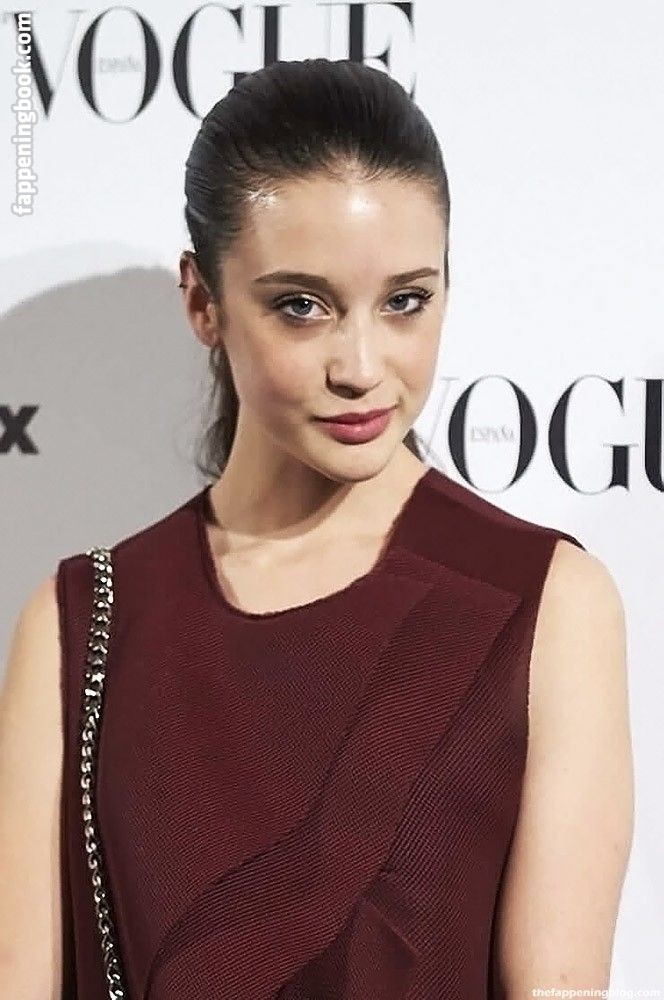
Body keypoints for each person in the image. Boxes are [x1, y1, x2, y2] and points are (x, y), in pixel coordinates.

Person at [0, 57, 633, 999]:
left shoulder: (544, 603)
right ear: (203, 301)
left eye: (406, 301)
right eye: (302, 306)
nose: (362, 366)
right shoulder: (82, 621)